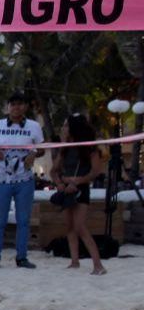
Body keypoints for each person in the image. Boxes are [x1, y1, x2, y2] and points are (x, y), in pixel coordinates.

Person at [0, 91, 44, 270]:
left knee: (23, 220)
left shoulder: (34, 126)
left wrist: (34, 154)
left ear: (25, 107)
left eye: (19, 104)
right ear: (8, 107)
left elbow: (43, 148)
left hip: (24, 179)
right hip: (0, 179)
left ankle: (22, 257)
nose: (16, 107)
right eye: (13, 104)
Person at [50, 114, 107, 275]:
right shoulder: (65, 148)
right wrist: (61, 183)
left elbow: (95, 171)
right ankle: (74, 261)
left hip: (81, 189)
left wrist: (78, 181)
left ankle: (98, 265)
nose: (63, 128)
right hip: (66, 188)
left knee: (80, 226)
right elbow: (53, 171)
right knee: (69, 226)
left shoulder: (90, 148)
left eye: (66, 126)